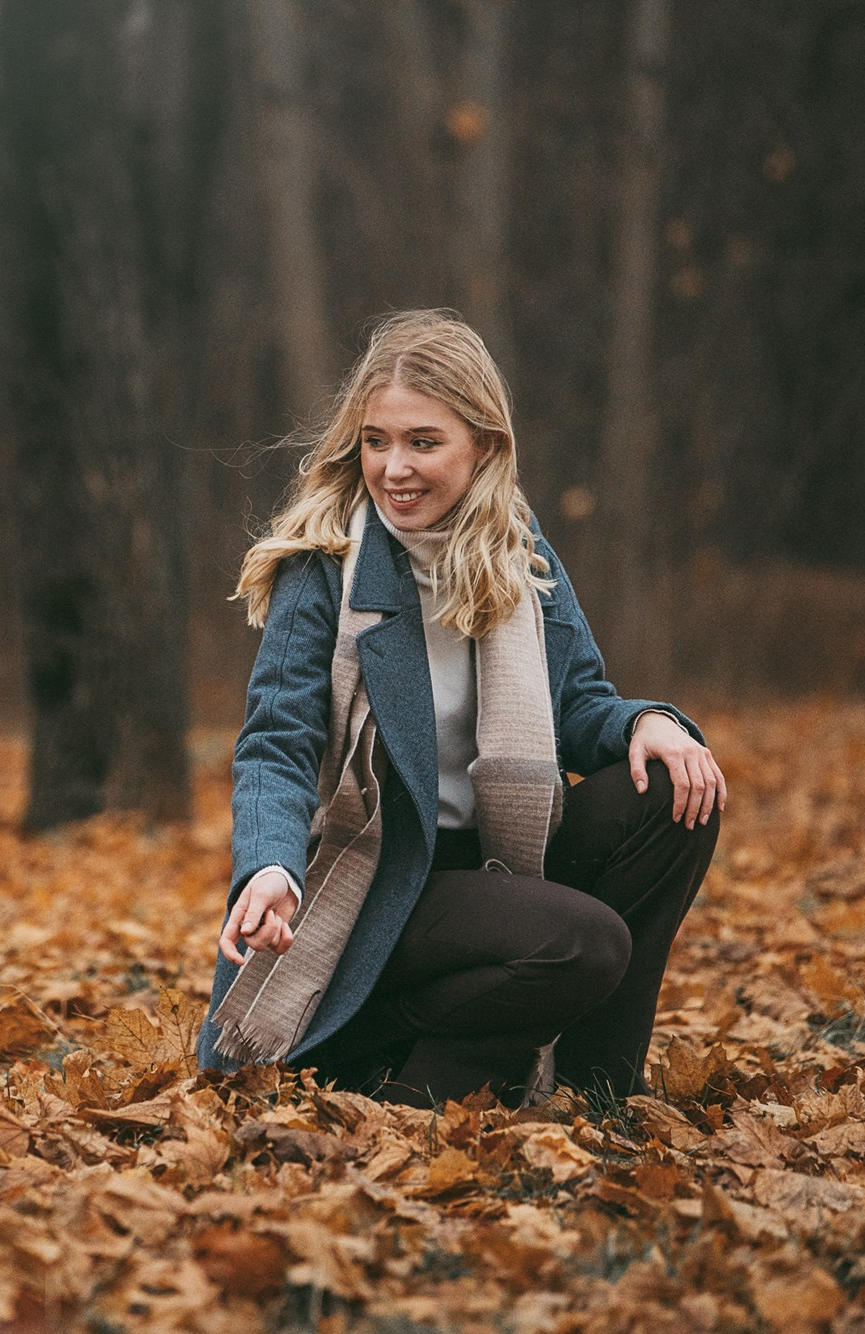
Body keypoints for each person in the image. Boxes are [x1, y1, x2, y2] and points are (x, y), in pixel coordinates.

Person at [197, 310, 725, 1108]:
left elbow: (578, 705)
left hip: (503, 858)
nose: (394, 468)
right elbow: (276, 741)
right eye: (376, 440)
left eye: (423, 441)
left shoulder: (518, 551)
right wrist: (268, 865)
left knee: (677, 797)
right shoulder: (325, 567)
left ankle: (596, 1088)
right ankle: (384, 1047)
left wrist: (647, 722)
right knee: (583, 943)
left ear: (483, 445)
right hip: (377, 878)